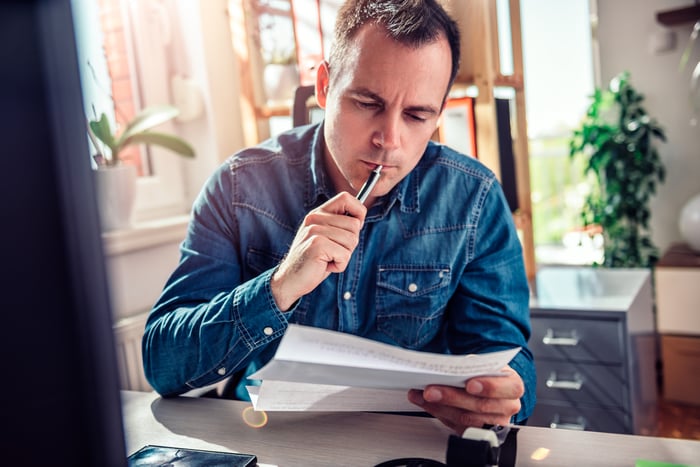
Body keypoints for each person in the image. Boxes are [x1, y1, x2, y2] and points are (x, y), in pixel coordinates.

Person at [143, 0, 535, 434]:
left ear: (438, 114)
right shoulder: (238, 188)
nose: (389, 140)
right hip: (266, 436)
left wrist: (505, 395)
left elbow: (507, 356)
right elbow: (162, 364)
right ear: (325, 86)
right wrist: (278, 286)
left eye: (417, 115)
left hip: (407, 446)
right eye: (368, 102)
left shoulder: (474, 199)